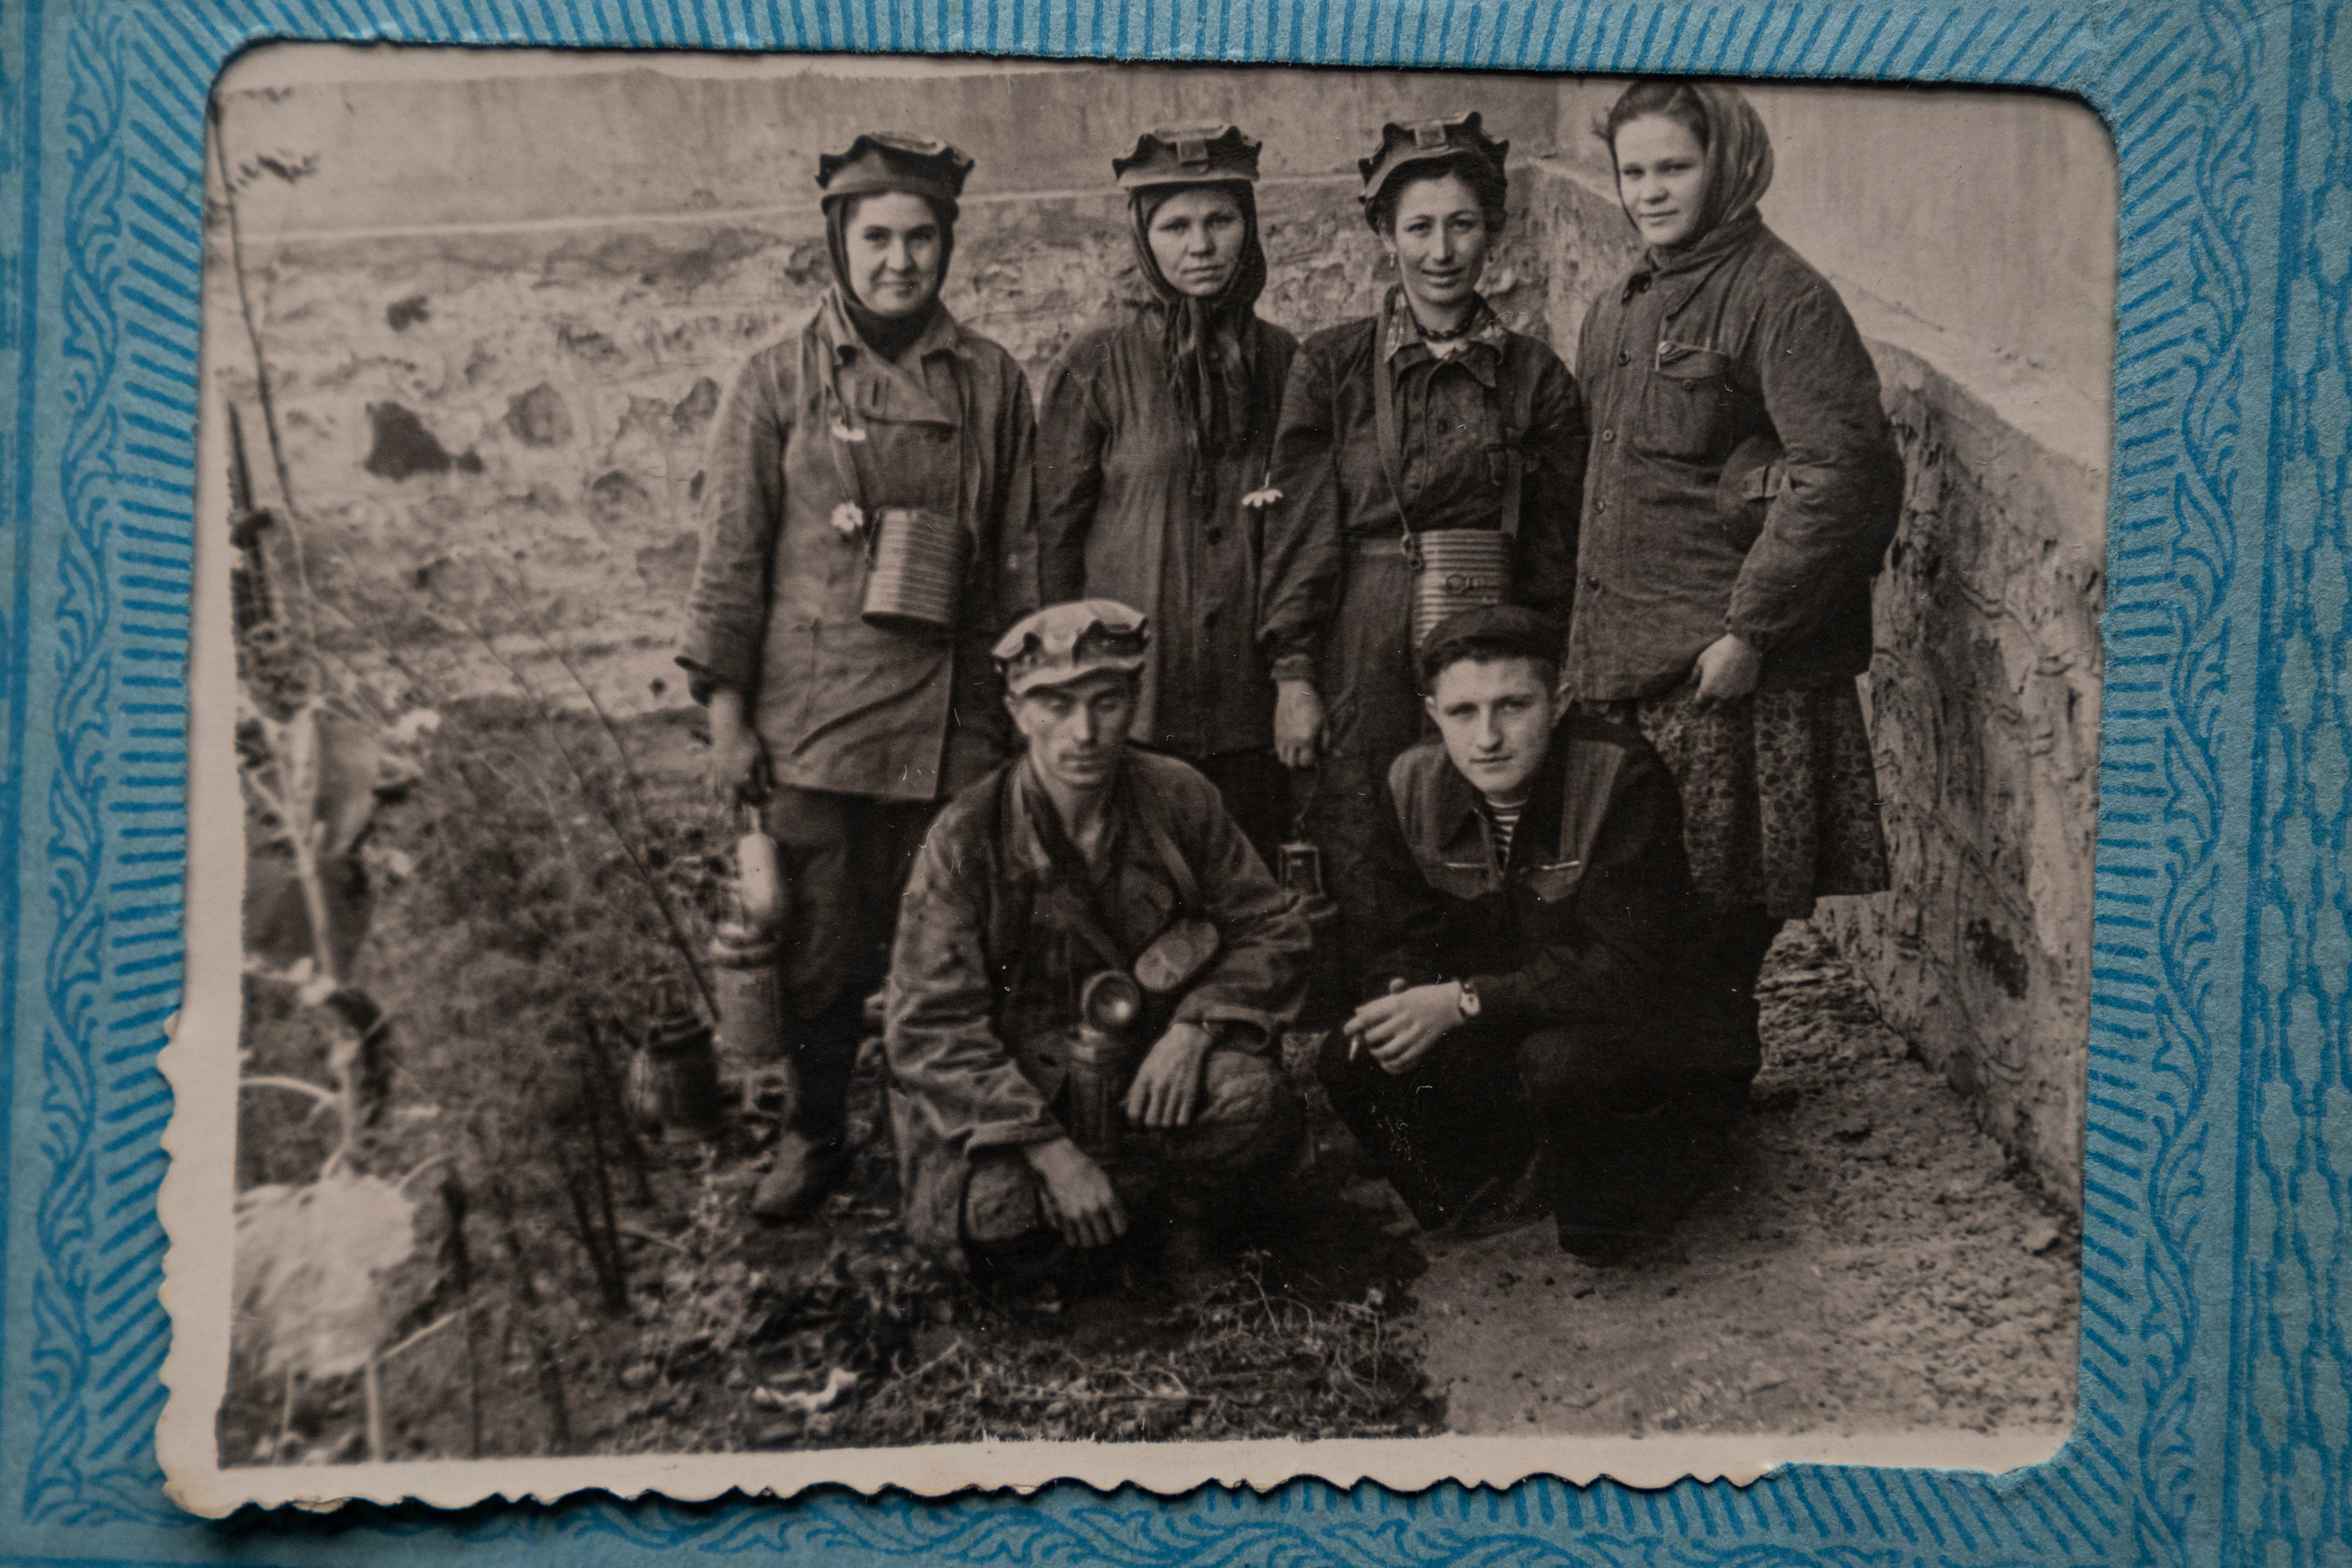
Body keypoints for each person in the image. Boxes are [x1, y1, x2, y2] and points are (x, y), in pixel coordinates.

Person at [677, 132, 1039, 1224]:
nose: (899, 261)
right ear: (837, 241)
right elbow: (730, 559)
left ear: (948, 245)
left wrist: (1021, 707)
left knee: (959, 944)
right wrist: (728, 720)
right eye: (876, 237)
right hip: (812, 726)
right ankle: (816, 1132)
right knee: (823, 956)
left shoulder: (989, 382)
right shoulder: (775, 380)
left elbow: (1021, 556)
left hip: (950, 724)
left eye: (921, 238)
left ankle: (964, 1131)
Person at [1570, 79, 1902, 1048]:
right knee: (1645, 895)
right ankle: (1674, 1096)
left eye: (1676, 167)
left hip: (1724, 669)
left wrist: (1751, 630)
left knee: (1721, 914)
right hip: (1634, 655)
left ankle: (1706, 1100)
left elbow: (1843, 474)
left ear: (1730, 165)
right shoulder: (1624, 300)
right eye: (1634, 172)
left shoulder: (1782, 296)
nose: (1651, 192)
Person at [883, 601, 1310, 1279]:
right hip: (1024, 1089)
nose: (1083, 732)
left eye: (1107, 701)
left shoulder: (1177, 797)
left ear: (1134, 701)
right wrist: (1051, 1151)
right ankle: (1106, 1235)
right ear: (1019, 713)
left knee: (1253, 1105)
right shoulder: (965, 838)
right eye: (1055, 705)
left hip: (1146, 1075)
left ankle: (1176, 1224)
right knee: (993, 1216)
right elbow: (930, 1027)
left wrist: (1196, 1031)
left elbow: (1271, 927)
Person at [1258, 111, 1588, 979]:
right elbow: (1298, 527)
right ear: (1383, 237)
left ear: (1493, 231)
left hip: (1494, 630)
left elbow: (1557, 547)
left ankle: (1486, 1024)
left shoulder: (1537, 375)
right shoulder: (1330, 367)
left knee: (1491, 818)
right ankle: (1389, 1041)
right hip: (1364, 631)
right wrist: (1294, 674)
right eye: (1419, 227)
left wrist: (1548, 669)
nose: (1441, 250)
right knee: (1367, 829)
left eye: (1462, 224)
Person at [1317, 607, 1755, 1260]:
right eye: (1463, 712)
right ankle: (1478, 1195)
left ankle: (1652, 1177)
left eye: (1512, 706)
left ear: (1559, 703)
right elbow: (1396, 935)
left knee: (1587, 1163)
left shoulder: (1619, 776)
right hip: (1516, 1016)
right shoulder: (1410, 783)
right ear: (1434, 715)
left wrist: (1463, 1002)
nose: (1487, 737)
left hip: (1642, 1026)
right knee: (1353, 1056)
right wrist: (1402, 995)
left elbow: (1626, 972)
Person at [1036, 125, 1299, 864]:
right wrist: (1065, 694)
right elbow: (1053, 541)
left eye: (1220, 220)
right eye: (1175, 226)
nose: (1201, 245)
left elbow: (1304, 529)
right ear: (1143, 239)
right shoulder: (1093, 362)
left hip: (1251, 707)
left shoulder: (1284, 360)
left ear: (1247, 226)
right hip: (1135, 704)